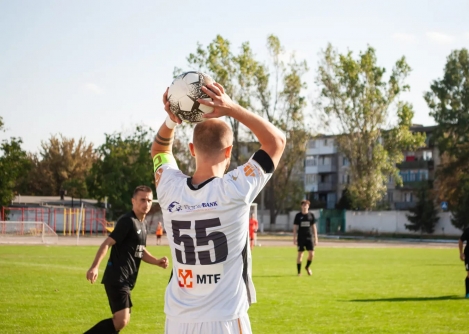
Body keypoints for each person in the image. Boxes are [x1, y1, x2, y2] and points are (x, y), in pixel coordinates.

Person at [151, 82, 285, 333]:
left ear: (191, 150)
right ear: (229, 152)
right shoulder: (235, 189)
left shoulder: (168, 188)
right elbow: (276, 141)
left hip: (178, 321)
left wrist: (171, 120)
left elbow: (159, 149)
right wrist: (232, 108)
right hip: (224, 320)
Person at [84, 186, 169, 334]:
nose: (146, 203)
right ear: (133, 201)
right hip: (117, 277)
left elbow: (140, 250)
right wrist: (94, 267)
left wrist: (157, 261)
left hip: (127, 279)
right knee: (121, 319)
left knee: (123, 320)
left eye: (149, 200)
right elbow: (107, 243)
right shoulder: (127, 221)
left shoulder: (142, 224)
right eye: (142, 200)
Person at [293, 200, 318, 276]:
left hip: (309, 237)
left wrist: (316, 238)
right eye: (303, 205)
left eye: (306, 205)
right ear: (301, 206)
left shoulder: (311, 215)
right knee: (300, 255)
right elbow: (295, 227)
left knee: (312, 254)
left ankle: (307, 267)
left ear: (308, 206)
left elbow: (314, 227)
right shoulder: (298, 216)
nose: (305, 206)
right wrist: (294, 238)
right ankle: (299, 272)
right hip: (301, 238)